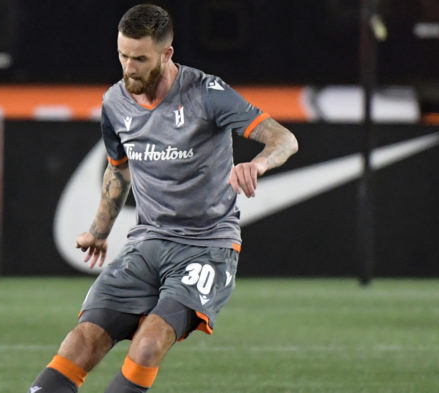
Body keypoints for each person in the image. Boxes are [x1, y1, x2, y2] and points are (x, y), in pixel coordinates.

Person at [28, 4, 298, 393]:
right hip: (147, 244)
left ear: (166, 53)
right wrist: (99, 230)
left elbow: (283, 138)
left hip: (207, 247)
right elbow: (118, 169)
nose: (129, 68)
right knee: (80, 341)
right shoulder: (115, 103)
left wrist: (258, 164)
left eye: (140, 58)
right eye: (123, 56)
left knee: (150, 341)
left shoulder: (207, 93)